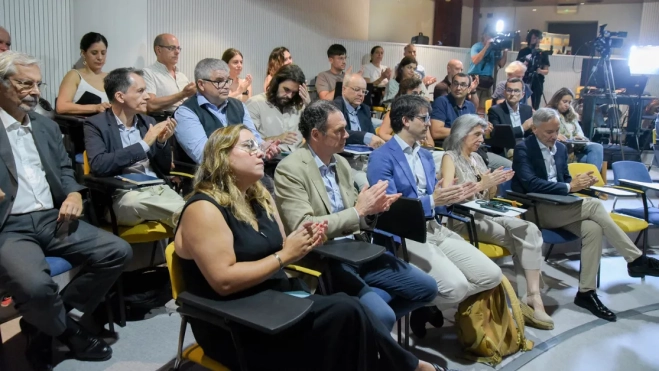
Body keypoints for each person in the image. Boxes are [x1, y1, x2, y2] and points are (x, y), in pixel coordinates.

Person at [173, 124, 449, 371]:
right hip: (232, 322)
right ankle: (411, 367)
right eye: (248, 146)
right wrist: (285, 255)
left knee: (351, 311)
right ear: (221, 156)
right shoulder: (204, 209)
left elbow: (283, 245)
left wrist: (307, 241)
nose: (260, 152)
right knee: (347, 313)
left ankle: (408, 366)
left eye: (258, 145)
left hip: (270, 301)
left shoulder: (259, 197)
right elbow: (224, 281)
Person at [0, 51, 132, 370]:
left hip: (52, 217)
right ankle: (67, 331)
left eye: (38, 84)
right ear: (2, 85)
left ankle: (42, 321)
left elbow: (63, 169)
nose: (35, 91)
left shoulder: (45, 127)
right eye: (25, 84)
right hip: (10, 226)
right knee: (35, 286)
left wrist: (72, 193)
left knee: (118, 251)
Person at [274, 100, 439, 333]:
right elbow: (304, 226)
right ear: (316, 134)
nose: (347, 135)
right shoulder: (291, 168)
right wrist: (358, 211)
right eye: (339, 131)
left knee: (428, 288)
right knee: (382, 314)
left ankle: (363, 330)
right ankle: (368, 329)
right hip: (326, 258)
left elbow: (358, 213)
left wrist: (373, 210)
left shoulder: (340, 162)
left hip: (358, 251)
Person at [367, 95, 502, 337]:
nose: (429, 123)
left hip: (435, 227)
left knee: (492, 275)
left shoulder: (426, 156)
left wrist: (453, 195)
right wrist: (432, 200)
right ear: (406, 121)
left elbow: (437, 202)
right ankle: (424, 299)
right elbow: (387, 209)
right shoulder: (381, 157)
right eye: (424, 118)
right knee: (457, 288)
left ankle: (425, 304)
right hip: (405, 236)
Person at [511, 108, 659, 321]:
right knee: (594, 207)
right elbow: (530, 183)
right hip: (536, 208)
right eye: (548, 132)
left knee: (593, 228)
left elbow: (563, 178)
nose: (554, 136)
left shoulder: (560, 149)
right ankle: (635, 258)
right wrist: (570, 187)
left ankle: (586, 292)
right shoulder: (523, 149)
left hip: (561, 206)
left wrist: (585, 186)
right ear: (534, 129)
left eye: (556, 131)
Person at [440, 114, 552, 329]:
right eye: (477, 134)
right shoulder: (449, 158)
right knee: (524, 240)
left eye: (482, 134)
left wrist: (494, 183)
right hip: (465, 220)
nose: (482, 139)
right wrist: (484, 184)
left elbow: (488, 195)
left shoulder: (479, 159)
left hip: (486, 213)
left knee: (530, 229)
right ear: (462, 134)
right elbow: (447, 195)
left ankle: (530, 296)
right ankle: (531, 298)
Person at [84, 67, 184, 228]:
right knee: (187, 213)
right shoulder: (96, 124)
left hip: (157, 189)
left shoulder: (147, 122)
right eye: (140, 91)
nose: (147, 97)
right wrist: (144, 144)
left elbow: (165, 169)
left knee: (186, 218)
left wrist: (161, 142)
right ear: (120, 96)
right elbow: (99, 165)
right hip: (122, 196)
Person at [174, 58, 275, 165]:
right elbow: (204, 156)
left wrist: (264, 148)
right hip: (207, 178)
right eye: (219, 81)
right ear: (201, 84)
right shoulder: (186, 112)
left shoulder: (239, 106)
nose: (226, 86)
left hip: (244, 171)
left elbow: (253, 140)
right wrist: (246, 152)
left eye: (227, 80)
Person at [431, 73, 511, 170]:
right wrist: (469, 131)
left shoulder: (470, 106)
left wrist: (483, 129)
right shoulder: (442, 102)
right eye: (455, 84)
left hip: (474, 151)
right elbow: (436, 132)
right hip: (452, 151)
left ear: (469, 89)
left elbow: (475, 131)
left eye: (463, 85)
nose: (458, 88)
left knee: (510, 167)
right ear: (451, 86)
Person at [332, 73, 381, 189]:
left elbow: (372, 134)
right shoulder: (335, 107)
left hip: (366, 160)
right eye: (357, 90)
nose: (360, 94)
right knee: (368, 186)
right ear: (344, 89)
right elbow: (340, 133)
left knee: (388, 180)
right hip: (345, 160)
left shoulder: (364, 109)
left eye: (364, 91)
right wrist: (365, 136)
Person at [247, 64, 309, 152]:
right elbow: (247, 143)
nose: (289, 96)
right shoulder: (255, 103)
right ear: (276, 84)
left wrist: (309, 104)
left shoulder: (299, 106)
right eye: (286, 90)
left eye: (294, 92)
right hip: (269, 161)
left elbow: (320, 131)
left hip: (298, 160)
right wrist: (277, 138)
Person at [547, 88, 604, 171]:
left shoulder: (571, 115)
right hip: (560, 149)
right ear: (557, 100)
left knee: (597, 147)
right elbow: (543, 132)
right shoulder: (548, 113)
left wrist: (579, 137)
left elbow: (579, 133)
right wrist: (556, 135)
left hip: (575, 147)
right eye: (565, 101)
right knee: (588, 160)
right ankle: (591, 179)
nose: (567, 105)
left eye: (569, 102)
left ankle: (592, 180)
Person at [56, 32, 110, 115]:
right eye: (94, 53)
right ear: (84, 53)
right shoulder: (74, 75)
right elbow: (61, 106)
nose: (100, 57)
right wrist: (95, 108)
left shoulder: (110, 77)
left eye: (103, 53)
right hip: (84, 126)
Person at [143, 33, 196, 112]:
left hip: (187, 118)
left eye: (178, 48)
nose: (177, 52)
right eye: (172, 48)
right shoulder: (148, 73)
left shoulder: (182, 76)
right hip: (164, 121)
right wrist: (183, 94)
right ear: (158, 50)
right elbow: (150, 105)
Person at [487, 77, 534, 156]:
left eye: (516, 91)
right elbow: (499, 136)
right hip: (506, 150)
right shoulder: (495, 111)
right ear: (504, 93)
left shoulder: (527, 110)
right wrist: (522, 128)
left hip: (526, 149)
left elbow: (530, 134)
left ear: (522, 94)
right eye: (509, 90)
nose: (512, 94)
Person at [379, 77, 433, 145]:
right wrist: (407, 142)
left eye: (420, 93)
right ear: (403, 94)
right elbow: (382, 134)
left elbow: (431, 143)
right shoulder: (394, 113)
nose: (418, 97)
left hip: (421, 151)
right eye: (414, 93)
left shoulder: (423, 115)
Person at [467, 28, 508, 112]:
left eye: (492, 35)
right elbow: (475, 60)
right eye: (489, 35)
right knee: (473, 105)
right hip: (475, 78)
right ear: (484, 36)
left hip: (487, 81)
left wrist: (505, 52)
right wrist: (486, 46)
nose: (491, 37)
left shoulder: (495, 48)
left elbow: (501, 64)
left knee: (484, 106)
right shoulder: (477, 46)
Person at [517, 29, 550, 110]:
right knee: (521, 102)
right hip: (524, 79)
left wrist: (540, 71)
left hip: (537, 81)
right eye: (532, 38)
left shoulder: (543, 53)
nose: (534, 40)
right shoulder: (523, 52)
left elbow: (546, 71)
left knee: (536, 104)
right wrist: (524, 64)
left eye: (536, 38)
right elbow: (517, 66)